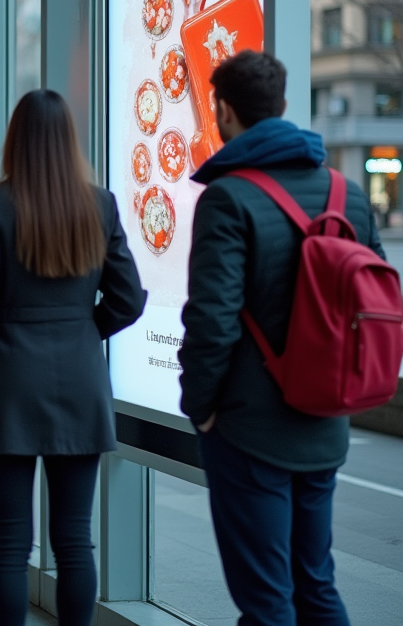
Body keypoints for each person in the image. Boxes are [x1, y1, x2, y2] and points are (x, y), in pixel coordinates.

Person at [179, 51, 384, 626]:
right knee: (315, 584)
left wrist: (201, 408)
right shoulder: (348, 192)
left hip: (250, 429)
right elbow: (372, 300)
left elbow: (212, 319)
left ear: (222, 110)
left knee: (266, 600)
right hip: (324, 421)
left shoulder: (228, 197)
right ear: (284, 106)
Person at [0, 89, 147, 626]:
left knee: (10, 540)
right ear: (68, 142)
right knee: (75, 539)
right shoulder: (99, 205)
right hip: (79, 378)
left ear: (15, 140)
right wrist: (84, 331)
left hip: (7, 378)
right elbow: (130, 298)